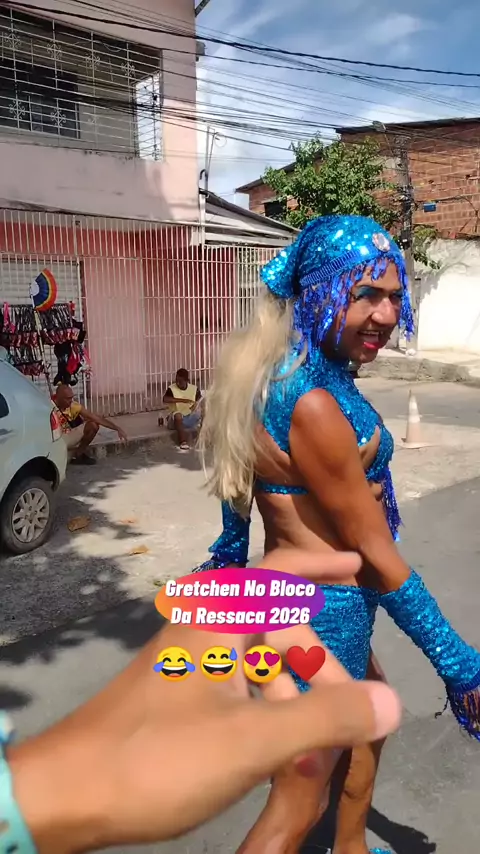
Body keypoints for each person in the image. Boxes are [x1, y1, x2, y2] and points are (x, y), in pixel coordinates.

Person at [197, 215, 480, 854]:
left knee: (371, 720)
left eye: (393, 296)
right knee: (299, 801)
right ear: (320, 291)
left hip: (298, 606)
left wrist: (233, 551)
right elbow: (376, 553)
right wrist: (460, 665)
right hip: (322, 617)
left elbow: (245, 491)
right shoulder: (314, 403)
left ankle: (349, 846)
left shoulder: (280, 373)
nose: (386, 314)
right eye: (365, 295)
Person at [0, 550, 402, 854]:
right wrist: (287, 816)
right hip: (316, 620)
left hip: (304, 618)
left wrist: (53, 789)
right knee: (309, 780)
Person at [52, 383, 127, 466]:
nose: (70, 401)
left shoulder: (73, 406)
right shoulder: (50, 407)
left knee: (93, 425)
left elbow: (95, 418)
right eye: (67, 399)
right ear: (59, 397)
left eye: (71, 398)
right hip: (56, 438)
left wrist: (117, 428)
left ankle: (79, 455)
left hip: (69, 435)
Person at [163, 368, 203, 450]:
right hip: (175, 421)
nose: (177, 383)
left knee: (204, 411)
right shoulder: (171, 388)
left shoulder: (194, 389)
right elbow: (165, 399)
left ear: (186, 381)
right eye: (176, 380)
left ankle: (206, 438)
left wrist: (195, 406)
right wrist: (182, 400)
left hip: (189, 417)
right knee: (178, 415)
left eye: (180, 381)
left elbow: (200, 401)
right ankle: (183, 442)